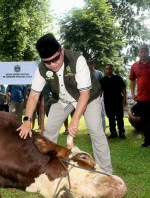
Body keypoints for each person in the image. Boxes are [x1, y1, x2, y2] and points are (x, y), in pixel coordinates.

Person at [18, 33, 113, 174]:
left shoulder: (78, 60)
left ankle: (106, 172)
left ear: (61, 50)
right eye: (47, 62)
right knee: (49, 131)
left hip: (88, 98)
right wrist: (27, 120)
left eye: (55, 59)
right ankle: (46, 169)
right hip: (62, 100)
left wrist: (75, 121)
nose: (52, 65)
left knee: (96, 131)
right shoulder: (42, 68)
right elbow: (33, 95)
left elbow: (85, 94)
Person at [129, 44, 150, 147]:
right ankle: (148, 142)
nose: (143, 53)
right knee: (144, 121)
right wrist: (133, 93)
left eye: (145, 51)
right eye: (140, 51)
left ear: (149, 52)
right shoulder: (134, 66)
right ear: (138, 53)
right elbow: (132, 80)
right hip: (142, 98)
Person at [99, 64, 127, 139]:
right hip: (108, 102)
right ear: (105, 70)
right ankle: (113, 132)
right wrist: (98, 100)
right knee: (110, 117)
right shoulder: (102, 80)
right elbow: (100, 91)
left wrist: (125, 98)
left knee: (119, 117)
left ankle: (121, 132)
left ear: (112, 69)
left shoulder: (118, 78)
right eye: (107, 69)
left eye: (110, 68)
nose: (108, 70)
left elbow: (123, 88)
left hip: (118, 101)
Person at [87, 59, 106, 132]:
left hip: (99, 96)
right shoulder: (84, 74)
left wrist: (101, 93)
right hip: (89, 97)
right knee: (91, 115)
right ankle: (92, 131)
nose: (89, 66)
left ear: (93, 64)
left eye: (91, 64)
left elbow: (103, 85)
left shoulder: (99, 73)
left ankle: (103, 130)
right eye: (88, 64)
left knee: (101, 114)